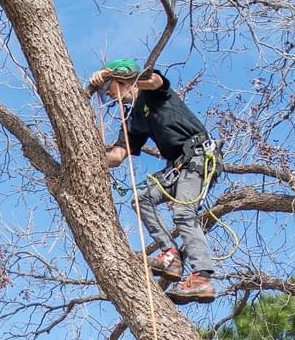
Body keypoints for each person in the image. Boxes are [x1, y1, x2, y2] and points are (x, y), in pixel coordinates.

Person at [87, 58, 219, 303]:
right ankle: (171, 255)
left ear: (122, 79)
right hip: (177, 167)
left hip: (197, 157)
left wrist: (107, 72)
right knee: (142, 199)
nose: (111, 96)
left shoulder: (153, 92)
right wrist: (85, 155)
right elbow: (116, 157)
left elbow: (154, 80)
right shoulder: (134, 120)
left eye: (110, 89)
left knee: (183, 212)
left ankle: (201, 278)